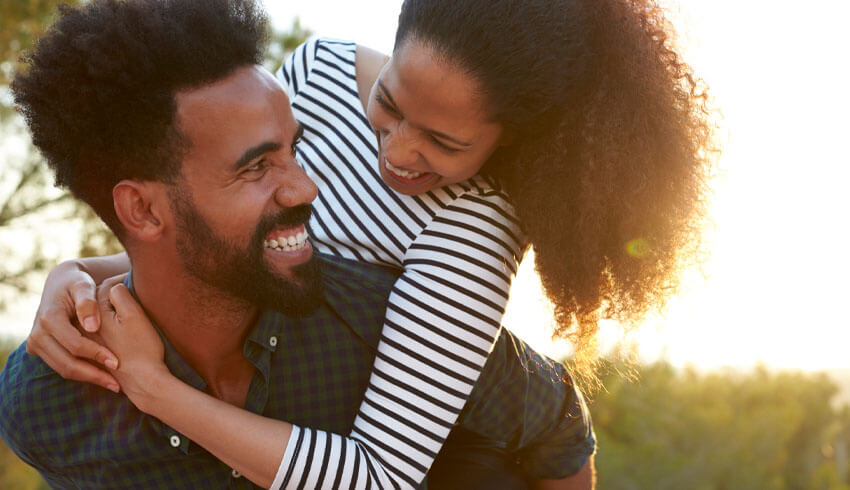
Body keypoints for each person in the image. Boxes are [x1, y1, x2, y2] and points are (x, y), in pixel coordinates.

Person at [20, 0, 713, 486]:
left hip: (445, 460)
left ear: (507, 141)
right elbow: (226, 234)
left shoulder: (475, 221)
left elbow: (380, 473)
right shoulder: (321, 75)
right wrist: (77, 273)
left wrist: (153, 388)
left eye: (444, 141)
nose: (398, 151)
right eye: (391, 98)